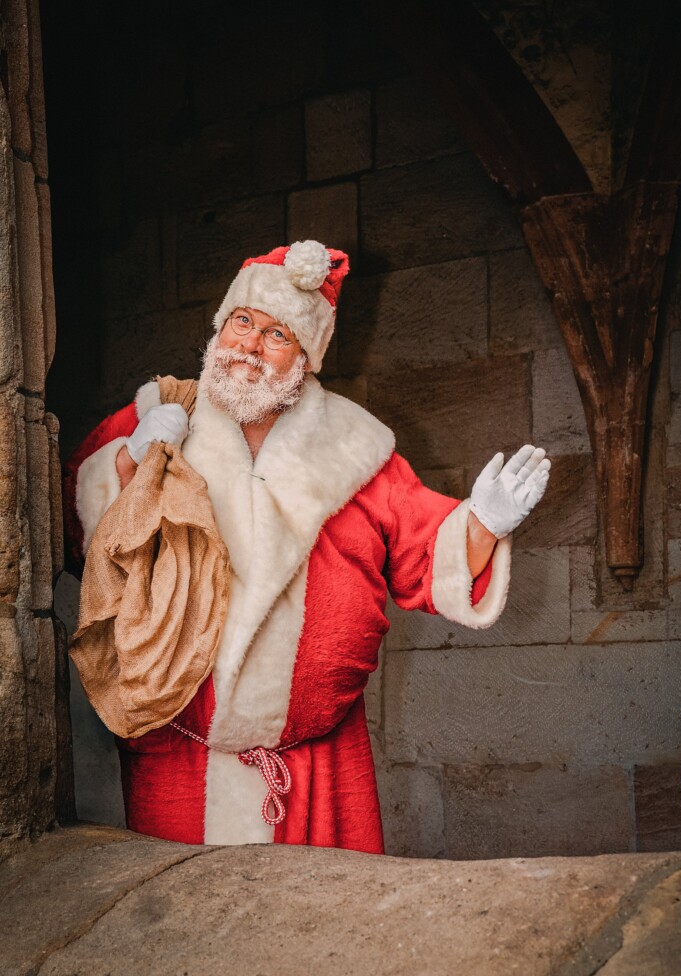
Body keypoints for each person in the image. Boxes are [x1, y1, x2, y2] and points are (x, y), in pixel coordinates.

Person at [63, 240, 550, 853]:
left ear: (305, 357)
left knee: (329, 931)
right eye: (242, 323)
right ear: (220, 328)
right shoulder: (158, 416)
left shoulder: (355, 446)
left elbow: (423, 547)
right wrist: (132, 459)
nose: (250, 347)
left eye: (277, 335)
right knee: (178, 928)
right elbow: (79, 532)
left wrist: (484, 521)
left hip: (319, 766)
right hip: (176, 754)